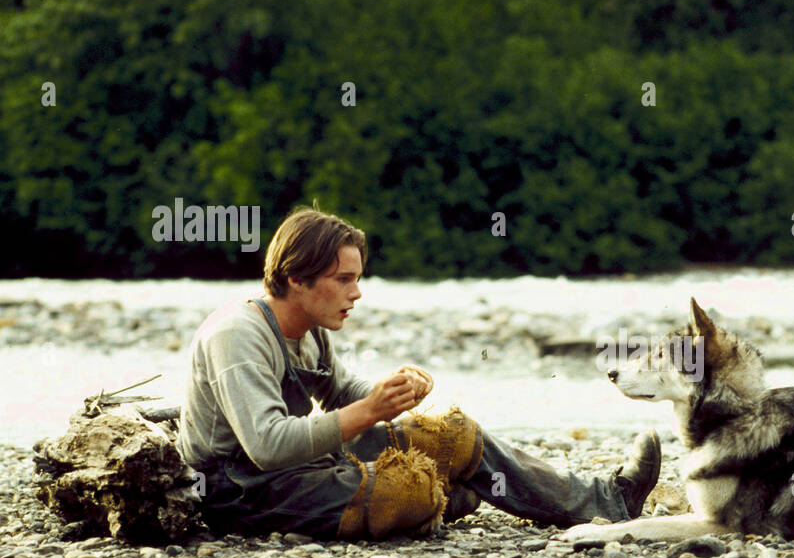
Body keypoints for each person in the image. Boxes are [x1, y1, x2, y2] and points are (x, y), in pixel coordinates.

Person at [176, 207, 660, 540]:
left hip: (300, 464)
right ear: (298, 278)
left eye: (358, 279)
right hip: (240, 490)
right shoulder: (237, 335)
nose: (357, 293)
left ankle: (606, 501)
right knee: (408, 492)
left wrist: (393, 392)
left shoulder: (309, 327)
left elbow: (343, 391)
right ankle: (451, 496)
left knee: (455, 436)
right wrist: (368, 411)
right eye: (344, 280)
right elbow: (266, 445)